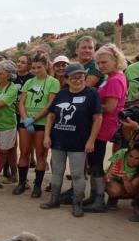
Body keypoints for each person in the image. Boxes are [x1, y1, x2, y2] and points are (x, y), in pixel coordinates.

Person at [41, 63, 103, 217]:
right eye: (73, 77)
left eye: (80, 77)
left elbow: (98, 118)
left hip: (79, 142)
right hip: (58, 141)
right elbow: (51, 116)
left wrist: (91, 140)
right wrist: (47, 136)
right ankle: (54, 199)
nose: (77, 80)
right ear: (67, 79)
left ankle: (77, 203)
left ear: (85, 77)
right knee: (57, 172)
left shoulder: (92, 94)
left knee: (77, 174)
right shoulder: (61, 94)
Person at [82, 43, 128, 212]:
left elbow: (110, 107)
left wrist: (88, 106)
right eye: (98, 63)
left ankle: (98, 199)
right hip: (101, 125)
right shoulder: (112, 77)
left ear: (115, 60)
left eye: (104, 62)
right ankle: (94, 196)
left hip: (103, 126)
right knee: (93, 162)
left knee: (95, 163)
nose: (100, 66)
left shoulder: (115, 79)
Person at [14, 53, 60, 197]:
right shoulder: (29, 82)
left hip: (42, 122)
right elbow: (21, 102)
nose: (36, 70)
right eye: (33, 67)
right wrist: (25, 118)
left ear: (46, 65)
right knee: (24, 152)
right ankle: (22, 183)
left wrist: (33, 118)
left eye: (39, 67)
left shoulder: (53, 82)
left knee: (41, 154)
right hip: (25, 122)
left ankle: (37, 186)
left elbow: (50, 104)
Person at [105, 145, 139, 214]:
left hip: (132, 189)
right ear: (127, 154)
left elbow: (131, 191)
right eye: (130, 156)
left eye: (137, 159)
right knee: (112, 189)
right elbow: (107, 177)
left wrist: (125, 180)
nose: (132, 160)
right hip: (119, 184)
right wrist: (109, 177)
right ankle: (112, 198)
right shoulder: (121, 153)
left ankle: (137, 203)